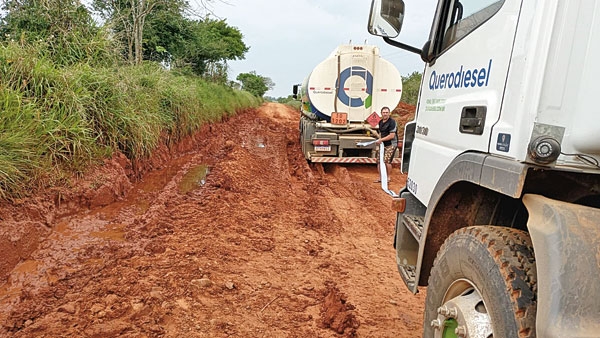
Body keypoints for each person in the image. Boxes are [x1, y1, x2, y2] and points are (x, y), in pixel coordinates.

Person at [374, 106, 398, 183]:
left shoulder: (392, 122)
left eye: (386, 112)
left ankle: (388, 177)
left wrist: (381, 140)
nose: (385, 114)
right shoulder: (380, 122)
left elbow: (392, 136)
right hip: (383, 144)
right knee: (379, 161)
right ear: (381, 113)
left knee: (387, 161)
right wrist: (380, 139)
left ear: (389, 113)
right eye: (383, 112)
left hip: (391, 144)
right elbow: (381, 133)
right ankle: (380, 178)